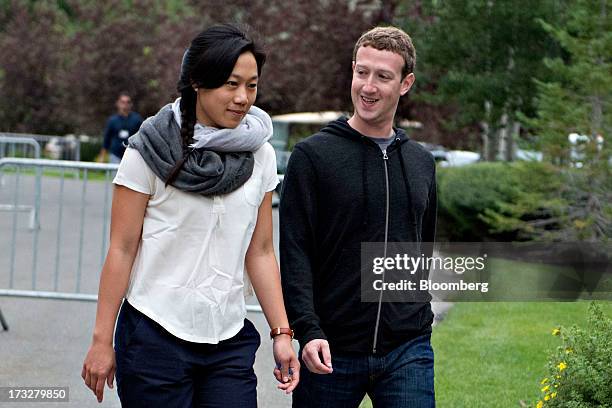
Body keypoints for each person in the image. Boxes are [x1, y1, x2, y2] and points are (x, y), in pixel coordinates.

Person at [82, 24, 299, 407]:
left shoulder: (260, 155)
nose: (243, 98)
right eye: (231, 84)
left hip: (228, 338)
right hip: (154, 334)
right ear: (198, 82)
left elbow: (261, 251)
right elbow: (122, 249)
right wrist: (102, 340)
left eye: (251, 85)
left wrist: (281, 331)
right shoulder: (148, 151)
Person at [280, 26, 437, 407]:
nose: (368, 86)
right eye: (362, 72)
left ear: (405, 83)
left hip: (407, 348)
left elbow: (423, 248)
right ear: (352, 70)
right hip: (329, 348)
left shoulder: (421, 163)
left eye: (383, 76)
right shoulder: (313, 157)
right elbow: (294, 252)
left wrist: (414, 313)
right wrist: (307, 328)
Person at [98, 92, 143, 163]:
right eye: (123, 102)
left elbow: (142, 137)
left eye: (128, 102)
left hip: (132, 155)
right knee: (115, 174)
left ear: (131, 104)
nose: (125, 104)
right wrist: (102, 156)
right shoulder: (112, 120)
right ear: (118, 103)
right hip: (115, 155)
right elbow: (107, 139)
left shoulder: (137, 119)